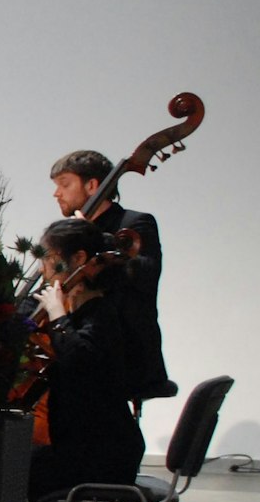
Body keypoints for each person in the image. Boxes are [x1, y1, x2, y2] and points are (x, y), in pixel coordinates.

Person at [19, 218, 146, 502]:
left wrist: (58, 316)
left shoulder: (104, 312)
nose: (43, 268)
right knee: (32, 454)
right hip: (87, 443)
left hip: (108, 453)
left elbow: (81, 361)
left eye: (49, 258)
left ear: (79, 258)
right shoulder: (80, 311)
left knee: (34, 461)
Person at [49, 150, 171, 405]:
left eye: (64, 184)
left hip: (125, 352)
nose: (56, 193)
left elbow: (145, 273)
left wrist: (91, 235)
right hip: (85, 344)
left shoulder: (135, 224)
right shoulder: (68, 234)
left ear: (92, 185)